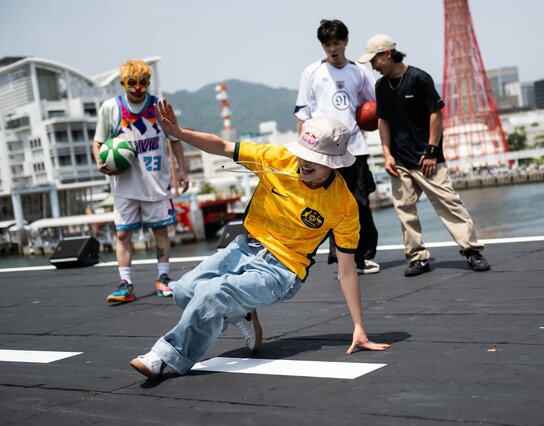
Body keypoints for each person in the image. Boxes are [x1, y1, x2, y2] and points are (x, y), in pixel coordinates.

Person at [129, 102, 390, 379]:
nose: (303, 162)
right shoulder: (276, 159)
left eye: (314, 158)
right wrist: (179, 133)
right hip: (245, 248)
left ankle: (164, 357)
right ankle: (242, 313)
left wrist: (359, 327)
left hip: (282, 271)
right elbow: (222, 146)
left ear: (332, 162)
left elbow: (347, 270)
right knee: (182, 290)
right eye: (303, 153)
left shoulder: (343, 205)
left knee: (213, 294)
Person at [357, 35, 491, 277]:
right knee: (405, 211)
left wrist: (431, 151)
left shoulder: (419, 78)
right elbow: (383, 121)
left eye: (374, 60)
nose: (372, 66)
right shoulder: (381, 86)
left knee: (450, 204)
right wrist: (387, 155)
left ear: (387, 54)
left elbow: (436, 115)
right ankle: (417, 257)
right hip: (399, 161)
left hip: (427, 159)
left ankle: (472, 251)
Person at [92, 59, 189, 303]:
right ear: (123, 83)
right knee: (123, 235)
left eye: (143, 82)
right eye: (132, 82)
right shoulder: (110, 108)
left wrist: (182, 170)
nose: (138, 87)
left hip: (156, 183)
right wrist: (99, 163)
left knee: (160, 231)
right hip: (124, 186)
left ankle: (163, 279)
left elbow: (175, 139)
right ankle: (125, 284)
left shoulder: (159, 106)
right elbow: (98, 142)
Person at [294, 19, 380, 275]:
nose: (332, 48)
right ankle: (336, 256)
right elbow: (303, 114)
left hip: (355, 148)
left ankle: (363, 256)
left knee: (359, 203)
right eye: (327, 44)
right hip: (322, 152)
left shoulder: (360, 72)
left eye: (337, 43)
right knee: (326, 204)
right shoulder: (311, 73)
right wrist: (302, 153)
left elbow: (373, 107)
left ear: (346, 42)